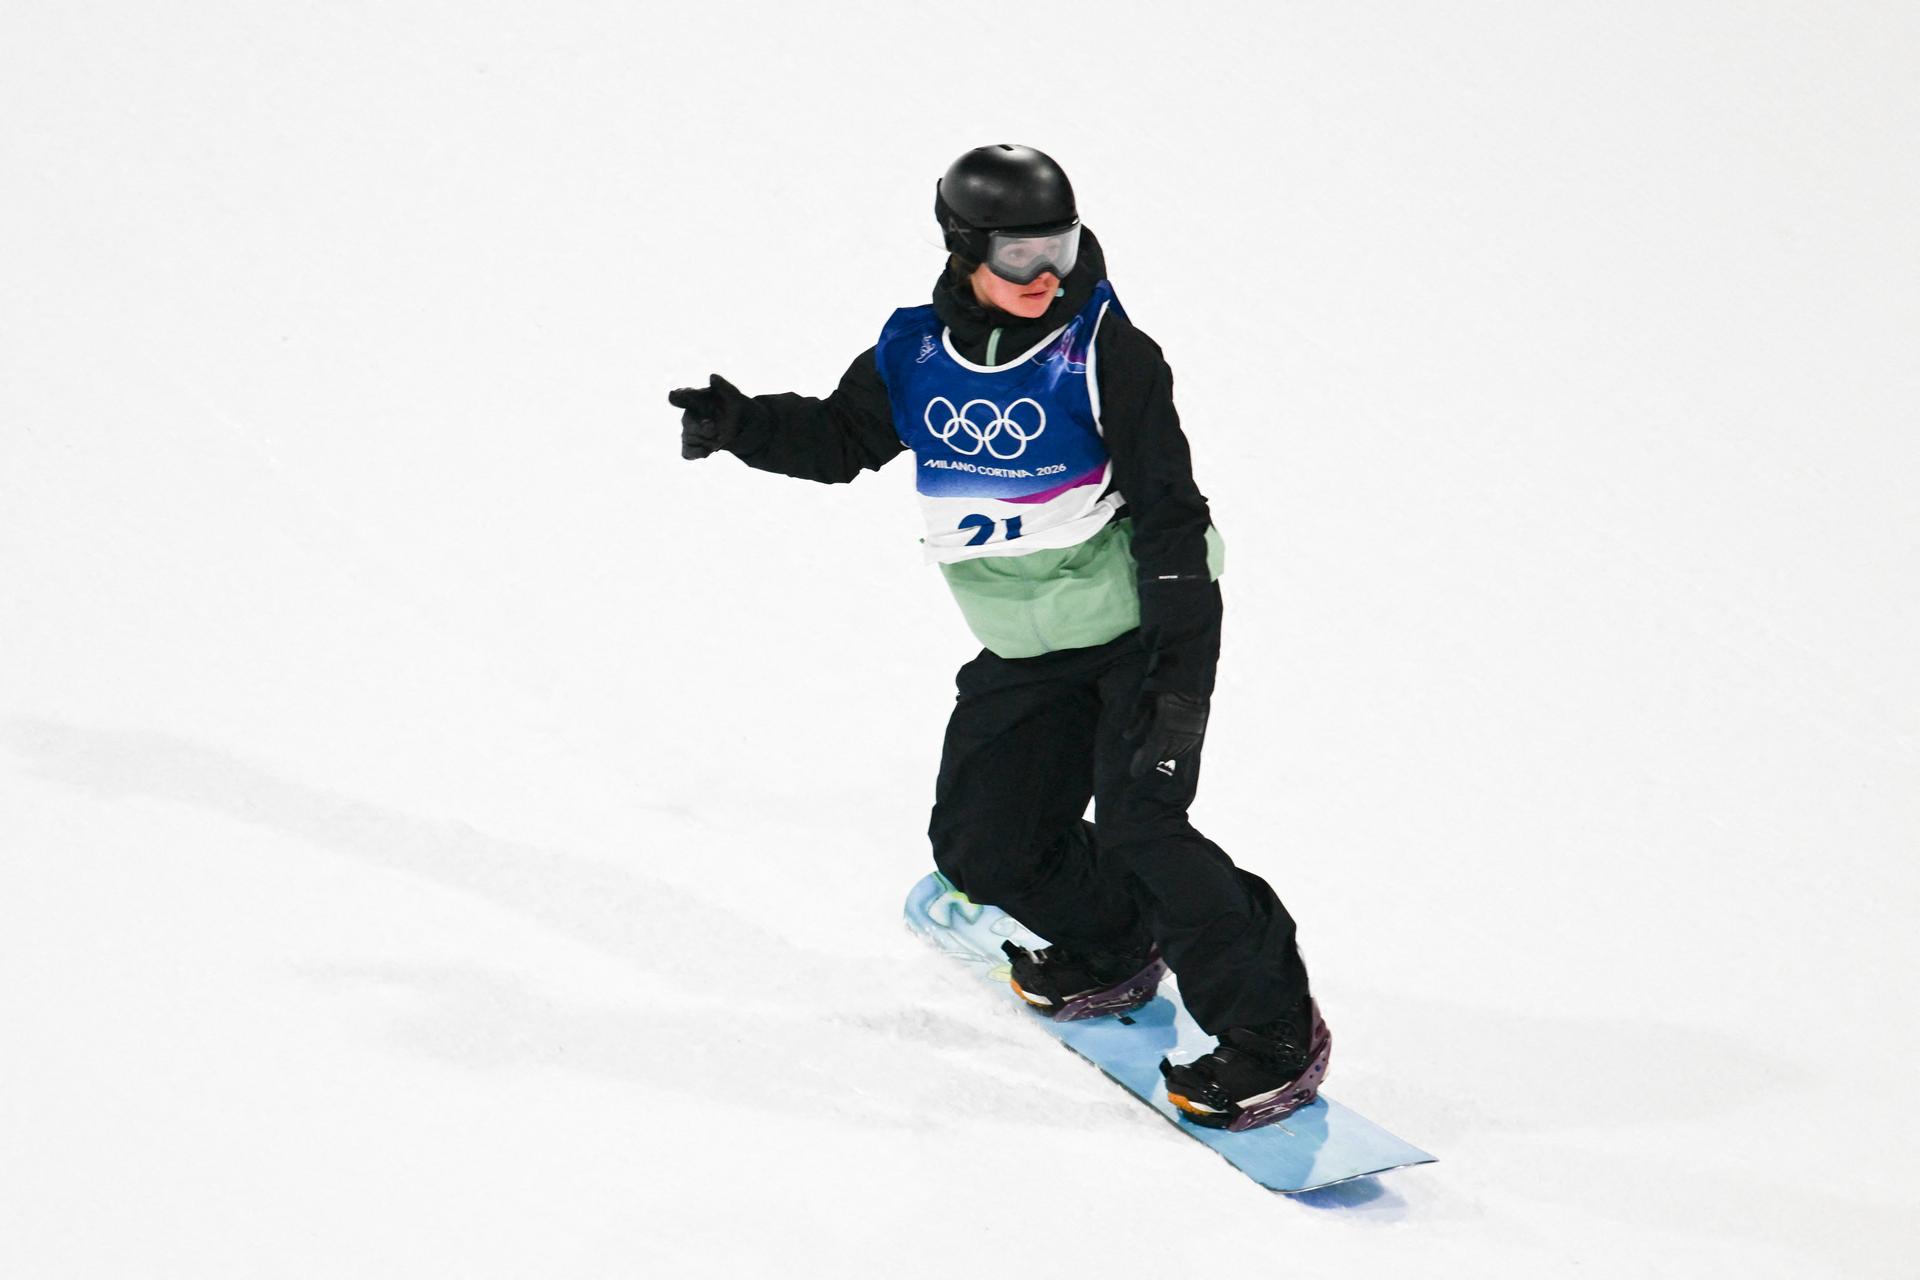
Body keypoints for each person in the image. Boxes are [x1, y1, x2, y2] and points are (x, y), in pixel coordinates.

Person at [668, 144, 1329, 1130]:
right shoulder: (915, 351)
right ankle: (1112, 943)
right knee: (982, 845)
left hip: (1141, 632)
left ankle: (1274, 1034)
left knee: (1147, 824)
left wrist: (1180, 673)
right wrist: (743, 424)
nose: (1048, 275)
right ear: (965, 250)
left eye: (1060, 247)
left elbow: (1169, 509)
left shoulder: (1106, 352)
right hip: (1026, 647)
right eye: (1022, 256)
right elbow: (846, 439)